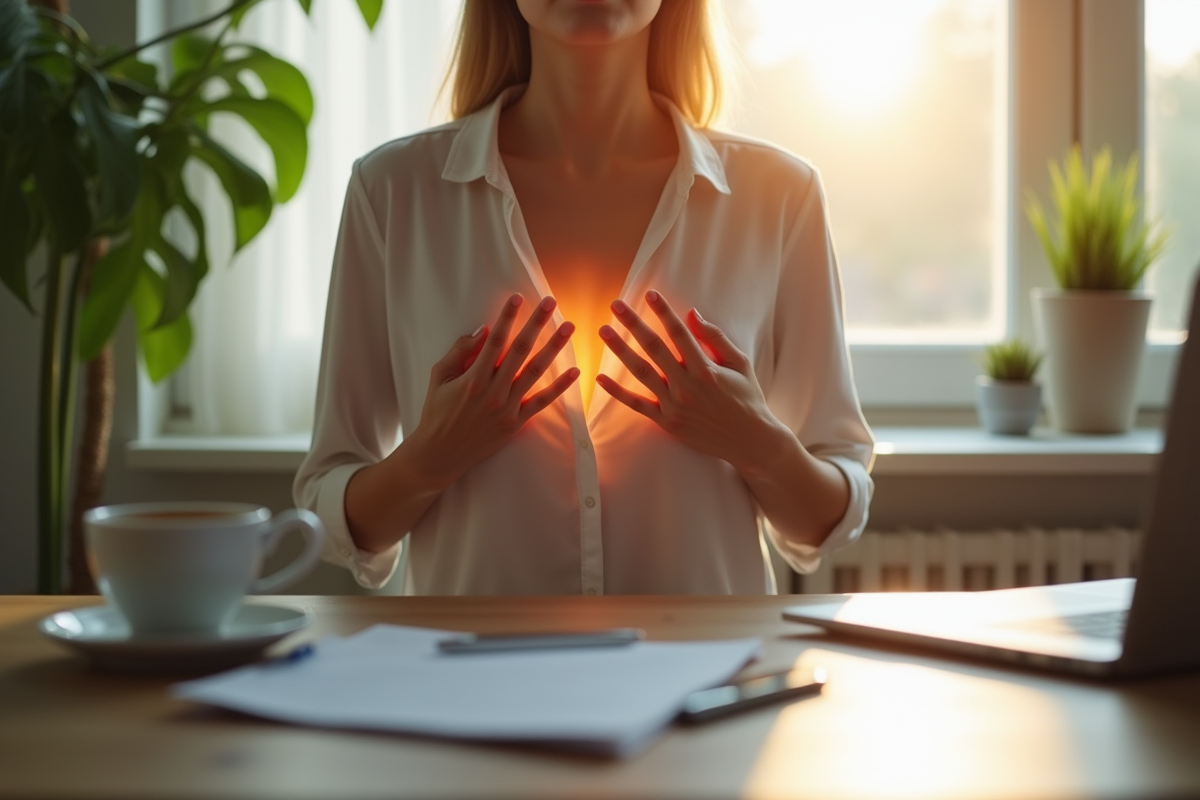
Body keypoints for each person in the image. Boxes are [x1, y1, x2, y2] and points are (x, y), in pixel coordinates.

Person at [293, 0, 874, 595]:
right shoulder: (391, 192)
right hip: (466, 656)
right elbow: (334, 513)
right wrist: (427, 459)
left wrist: (757, 444)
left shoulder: (782, 196)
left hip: (709, 656)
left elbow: (826, 521)